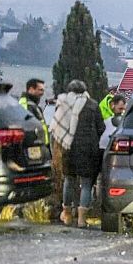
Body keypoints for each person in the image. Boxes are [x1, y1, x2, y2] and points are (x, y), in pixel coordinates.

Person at [50, 80, 105, 228]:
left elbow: (56, 128)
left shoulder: (63, 105)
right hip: (88, 150)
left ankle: (67, 215)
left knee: (69, 180)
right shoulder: (93, 105)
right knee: (86, 184)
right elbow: (101, 128)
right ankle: (81, 220)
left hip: (69, 148)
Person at [18, 78, 49, 145]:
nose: (42, 93)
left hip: (40, 146)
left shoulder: (34, 106)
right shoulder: (25, 105)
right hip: (32, 147)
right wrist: (32, 144)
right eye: (40, 90)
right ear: (31, 89)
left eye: (43, 90)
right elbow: (26, 127)